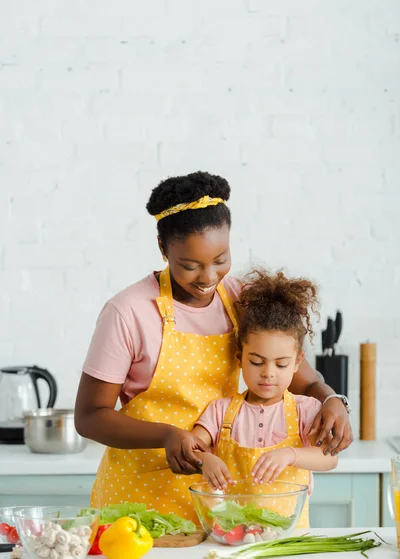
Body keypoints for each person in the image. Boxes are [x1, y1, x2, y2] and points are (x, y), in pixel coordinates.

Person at [75, 171, 352, 520]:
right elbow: (89, 417)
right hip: (141, 495)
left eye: (220, 260)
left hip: (221, 499)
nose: (208, 278)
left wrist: (331, 400)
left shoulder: (238, 299)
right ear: (163, 248)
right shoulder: (127, 312)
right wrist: (168, 436)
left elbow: (300, 377)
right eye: (190, 265)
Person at [192, 269, 338, 527]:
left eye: (281, 365)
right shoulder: (220, 411)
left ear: (297, 363)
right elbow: (193, 447)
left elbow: (330, 457)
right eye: (257, 362)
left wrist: (291, 455)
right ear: (240, 358)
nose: (268, 374)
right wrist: (206, 458)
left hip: (287, 540)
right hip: (232, 536)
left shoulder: (305, 409)